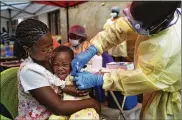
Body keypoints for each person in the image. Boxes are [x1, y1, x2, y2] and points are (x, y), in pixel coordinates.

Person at [71, 1, 181, 119]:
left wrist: (102, 79)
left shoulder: (172, 45)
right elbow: (121, 27)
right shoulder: (151, 17)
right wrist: (93, 48)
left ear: (156, 26)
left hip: (169, 104)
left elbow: (145, 78)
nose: (132, 25)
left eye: (137, 25)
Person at [14, 19, 100, 119]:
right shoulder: (29, 71)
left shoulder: (45, 60)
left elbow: (57, 81)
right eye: (44, 49)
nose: (50, 51)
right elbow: (59, 108)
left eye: (51, 45)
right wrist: (92, 102)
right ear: (27, 49)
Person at [49, 45, 99, 120]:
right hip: (64, 110)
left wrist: (86, 88)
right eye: (56, 65)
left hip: (83, 108)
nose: (60, 68)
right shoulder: (53, 78)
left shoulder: (76, 75)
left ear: (72, 63)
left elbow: (86, 88)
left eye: (65, 65)